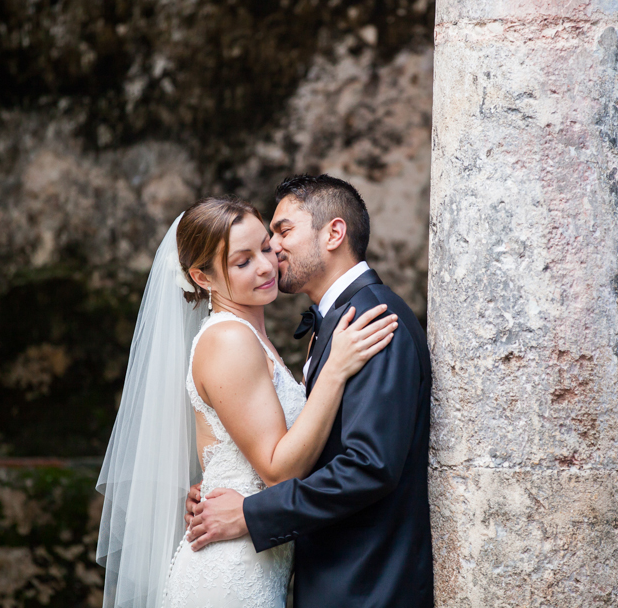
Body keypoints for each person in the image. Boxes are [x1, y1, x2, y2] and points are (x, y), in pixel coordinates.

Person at [96, 195, 398, 608]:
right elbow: (278, 471)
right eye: (242, 262)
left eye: (266, 247)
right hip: (229, 572)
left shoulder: (254, 338)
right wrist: (334, 371)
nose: (265, 266)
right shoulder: (229, 340)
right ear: (202, 279)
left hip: (256, 558)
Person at [184, 175, 435, 608]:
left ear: (334, 233)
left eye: (279, 235)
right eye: (250, 255)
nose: (272, 254)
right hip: (316, 576)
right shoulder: (336, 324)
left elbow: (369, 466)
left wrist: (251, 512)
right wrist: (216, 486)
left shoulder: (372, 321)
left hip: (364, 584)